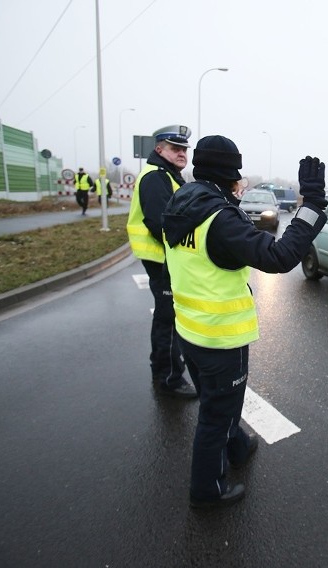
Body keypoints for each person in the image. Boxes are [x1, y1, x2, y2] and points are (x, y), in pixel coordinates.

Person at [162, 135, 328, 508]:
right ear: (227, 173)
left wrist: (231, 201)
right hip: (221, 339)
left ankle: (237, 445)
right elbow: (279, 256)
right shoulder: (219, 218)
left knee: (215, 400)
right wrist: (312, 206)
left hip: (190, 329)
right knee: (216, 417)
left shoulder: (180, 203)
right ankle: (207, 491)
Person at [126, 125, 198, 399]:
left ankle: (165, 371)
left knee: (168, 317)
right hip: (162, 259)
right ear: (159, 150)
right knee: (168, 320)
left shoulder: (170, 176)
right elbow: (160, 223)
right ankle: (169, 378)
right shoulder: (156, 177)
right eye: (175, 148)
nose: (181, 153)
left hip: (166, 258)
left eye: (184, 149)